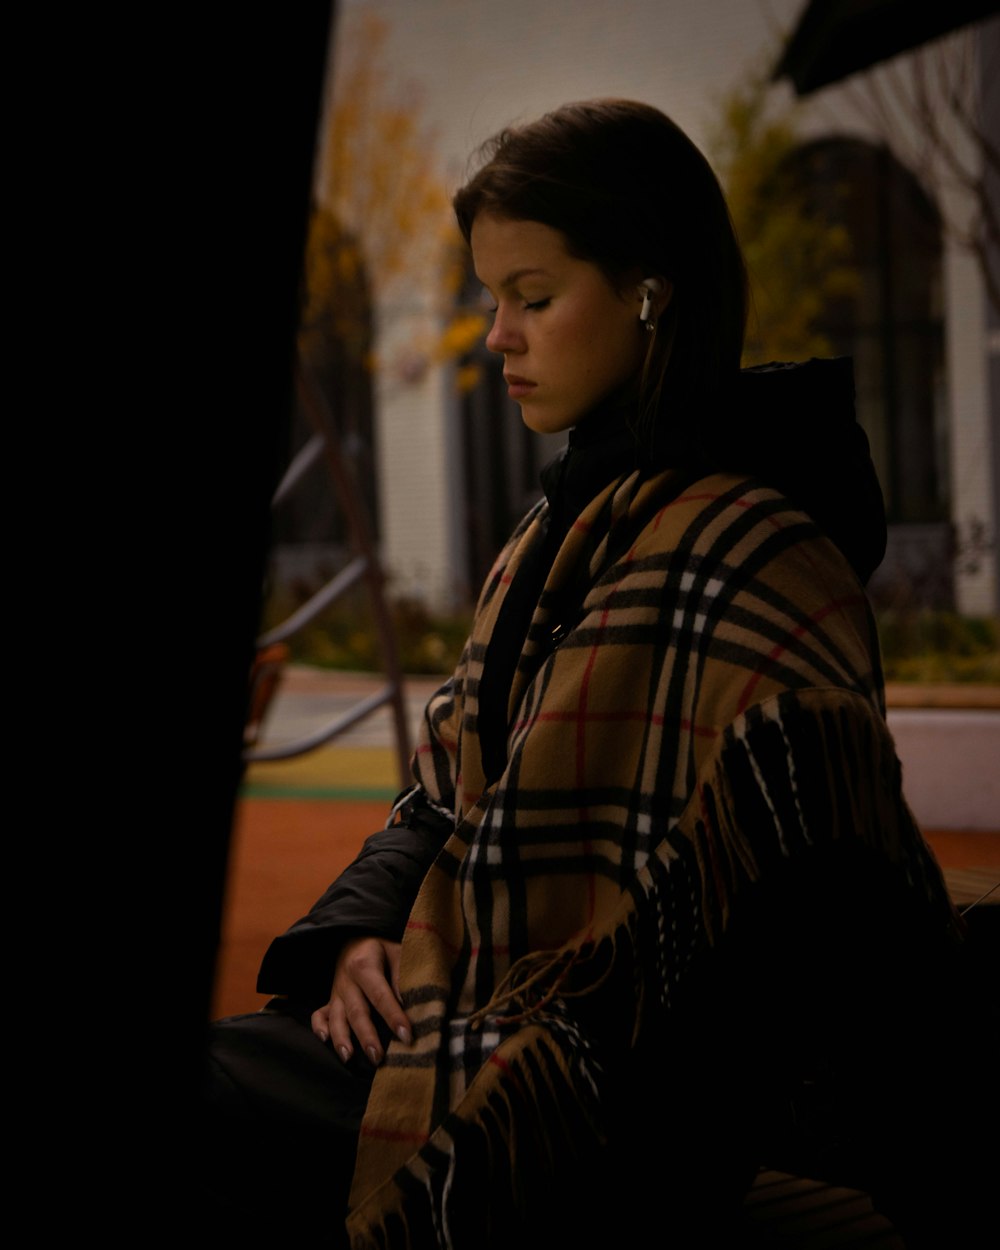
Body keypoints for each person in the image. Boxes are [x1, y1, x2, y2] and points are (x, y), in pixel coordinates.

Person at [206, 100, 994, 1248]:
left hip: (597, 1101)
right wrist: (357, 938)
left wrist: (546, 1048)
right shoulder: (563, 523)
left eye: (531, 297)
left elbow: (814, 912)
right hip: (456, 1008)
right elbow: (445, 789)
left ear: (648, 291)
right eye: (489, 299)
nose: (496, 337)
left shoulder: (762, 551)